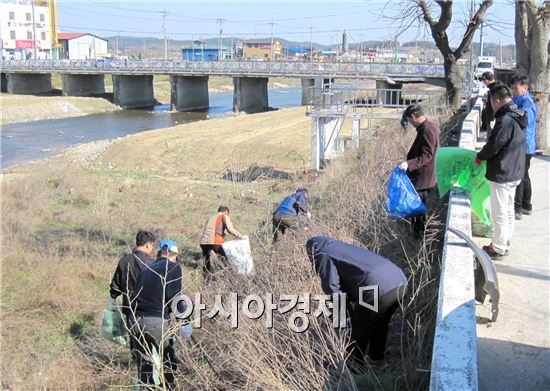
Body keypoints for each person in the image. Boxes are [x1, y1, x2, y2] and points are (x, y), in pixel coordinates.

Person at [306, 236, 407, 369]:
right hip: (400, 281)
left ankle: (355, 370)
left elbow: (333, 290)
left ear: (312, 253)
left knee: (358, 330)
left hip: (375, 289)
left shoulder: (323, 254)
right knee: (380, 323)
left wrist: (345, 318)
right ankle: (377, 361)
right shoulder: (341, 248)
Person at [475, 83, 526, 260]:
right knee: (508, 210)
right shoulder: (518, 114)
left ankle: (497, 248)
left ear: (497, 100)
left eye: (491, 102)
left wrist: (480, 156)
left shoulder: (505, 120)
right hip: (515, 170)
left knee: (500, 212)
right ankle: (505, 243)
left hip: (504, 172)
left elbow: (494, 145)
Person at [132, 240, 185, 389]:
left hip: (136, 321)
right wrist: (185, 321)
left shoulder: (146, 268)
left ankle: (146, 388)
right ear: (174, 256)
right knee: (168, 361)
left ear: (159, 253)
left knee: (146, 364)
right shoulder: (173, 267)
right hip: (156, 320)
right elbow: (175, 297)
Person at [109, 230, 156, 352]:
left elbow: (115, 288)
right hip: (150, 314)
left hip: (131, 313)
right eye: (152, 246)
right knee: (152, 351)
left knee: (137, 350)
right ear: (147, 244)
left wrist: (112, 299)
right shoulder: (152, 264)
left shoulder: (124, 261)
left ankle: (140, 369)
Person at [399, 104, 440, 238]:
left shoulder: (427, 130)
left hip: (423, 179)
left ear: (413, 117)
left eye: (409, 120)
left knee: (418, 213)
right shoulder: (427, 127)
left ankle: (418, 240)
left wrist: (409, 164)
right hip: (424, 177)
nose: (410, 123)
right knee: (418, 212)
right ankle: (418, 237)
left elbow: (427, 155)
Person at [510, 74, 538, 220]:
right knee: (524, 175)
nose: (513, 90)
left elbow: (524, 122)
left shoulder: (526, 102)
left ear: (525, 88)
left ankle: (518, 207)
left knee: (520, 176)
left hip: (524, 145)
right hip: (522, 144)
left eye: (516, 88)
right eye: (512, 88)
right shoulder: (517, 99)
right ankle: (527, 205)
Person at [199, 206, 246, 277]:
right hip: (215, 241)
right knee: (226, 259)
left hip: (204, 242)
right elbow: (230, 229)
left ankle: (206, 281)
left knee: (206, 262)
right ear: (226, 212)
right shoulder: (223, 216)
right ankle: (228, 278)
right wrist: (241, 236)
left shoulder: (211, 217)